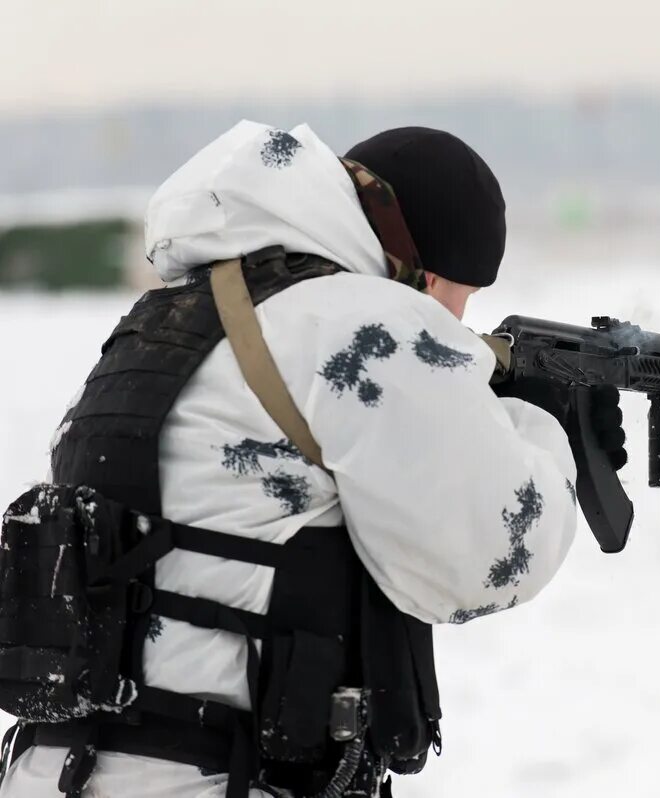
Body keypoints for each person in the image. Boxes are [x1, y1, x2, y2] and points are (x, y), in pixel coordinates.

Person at [0, 122, 625, 797]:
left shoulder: (165, 319)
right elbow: (491, 552)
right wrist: (542, 426)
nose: (457, 322)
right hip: (211, 779)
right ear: (428, 270)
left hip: (59, 770)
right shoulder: (364, 323)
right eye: (461, 297)